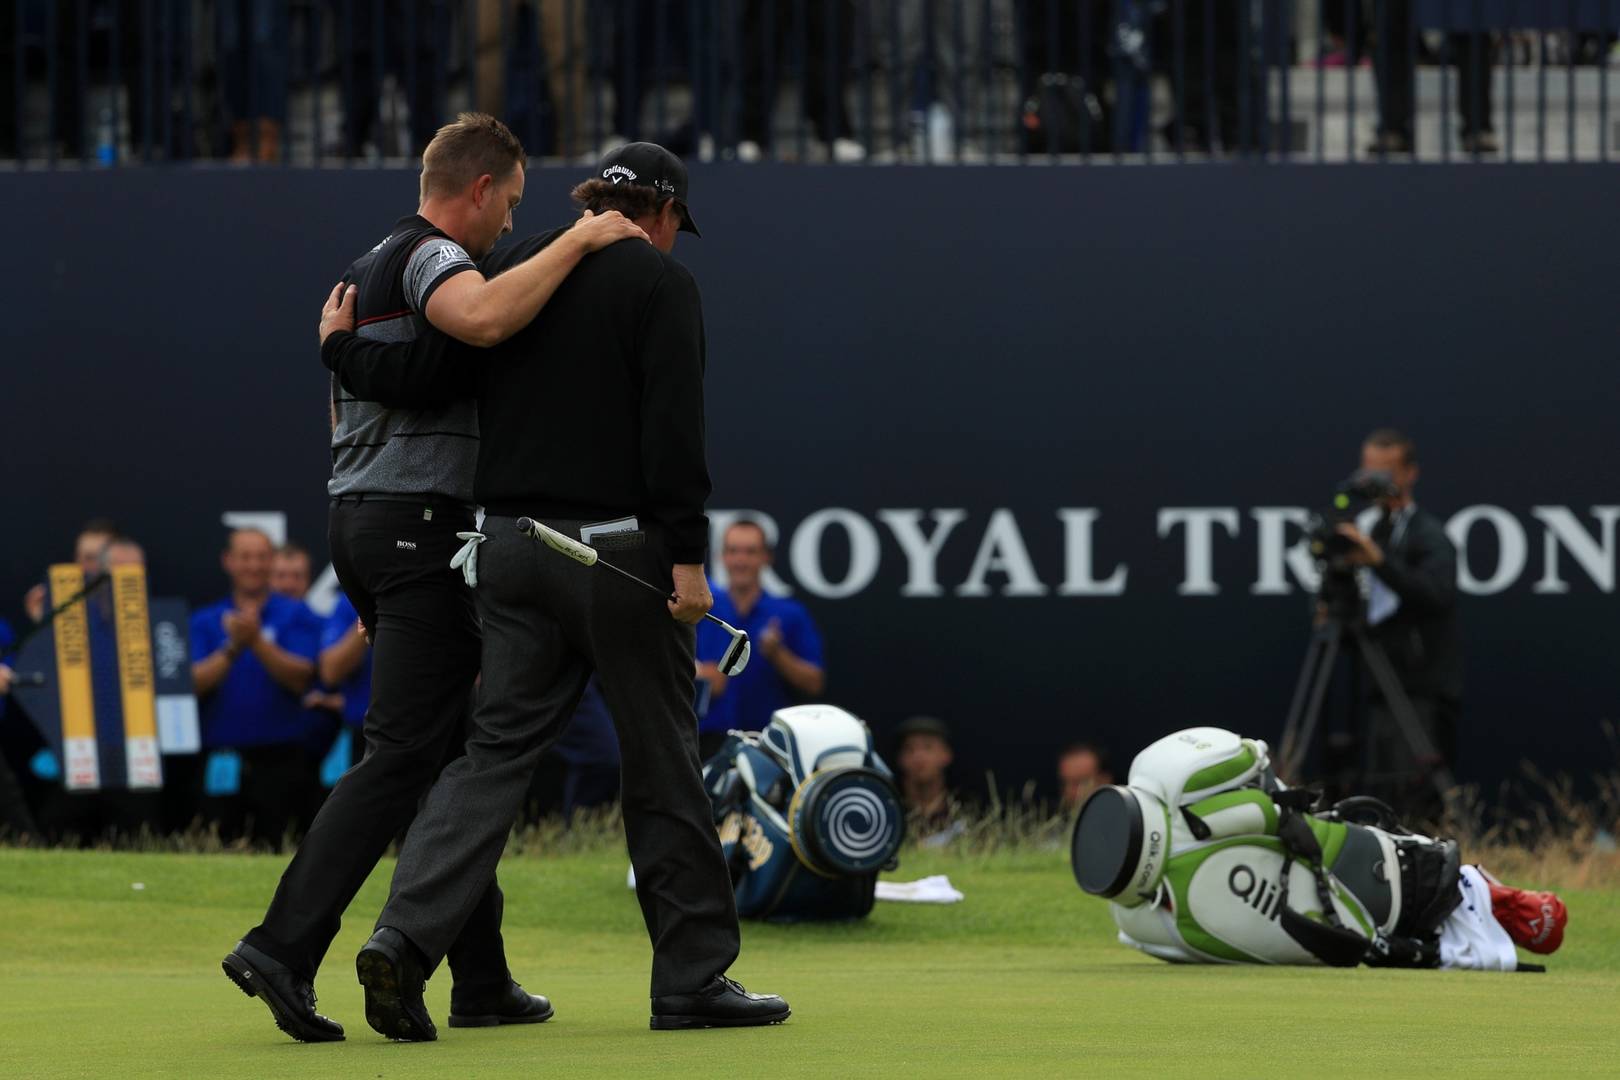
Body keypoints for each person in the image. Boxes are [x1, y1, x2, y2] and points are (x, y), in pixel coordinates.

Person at [322, 141, 788, 1036]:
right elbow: (674, 436)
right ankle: (691, 978)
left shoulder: (510, 265)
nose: (673, 242)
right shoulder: (659, 285)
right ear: (655, 213)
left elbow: (429, 378)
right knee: (661, 761)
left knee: (490, 758)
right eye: (673, 226)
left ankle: (404, 937)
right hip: (617, 554)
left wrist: (341, 351)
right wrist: (688, 562)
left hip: (507, 547)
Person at [221, 113, 645, 1045]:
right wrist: (580, 236)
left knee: (447, 759)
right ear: (482, 189)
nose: (506, 229)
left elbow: (423, 366)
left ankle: (481, 978)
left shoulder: (370, 261)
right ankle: (282, 947)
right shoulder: (429, 258)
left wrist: (339, 352)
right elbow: (483, 318)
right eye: (513, 208)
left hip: (366, 528)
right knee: (408, 754)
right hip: (418, 534)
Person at [1332, 429, 1462, 809]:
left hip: (1421, 688)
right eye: (1368, 471)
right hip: (1375, 683)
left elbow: (1436, 594)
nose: (1375, 482)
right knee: (1377, 791)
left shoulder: (1430, 535)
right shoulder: (1366, 527)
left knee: (1415, 791)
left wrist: (1380, 562)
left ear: (1409, 474)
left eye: (1385, 472)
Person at [189, 529, 323, 847]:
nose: (253, 565)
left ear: (272, 561)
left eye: (262, 557)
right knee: (215, 849)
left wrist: (256, 641)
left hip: (282, 758)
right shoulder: (204, 620)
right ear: (228, 561)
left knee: (281, 849)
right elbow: (192, 685)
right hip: (220, 757)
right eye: (245, 557)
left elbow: (302, 677)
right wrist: (234, 647)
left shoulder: (297, 614)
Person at [696, 520, 825, 758]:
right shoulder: (702, 611)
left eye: (750, 551)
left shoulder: (789, 614)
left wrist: (778, 654)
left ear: (766, 557)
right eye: (733, 551)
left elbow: (814, 683)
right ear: (721, 556)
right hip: (708, 745)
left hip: (770, 745)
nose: (741, 560)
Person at [23, 518, 117, 623]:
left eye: (90, 558)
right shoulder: (63, 604)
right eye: (78, 557)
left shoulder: (130, 603)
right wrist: (44, 622)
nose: (81, 566)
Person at [894, 715, 961, 842]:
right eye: (909, 749)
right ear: (900, 759)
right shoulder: (889, 813)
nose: (918, 757)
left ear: (946, 754)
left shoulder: (965, 812)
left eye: (928, 747)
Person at [1057, 741, 1113, 813]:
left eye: (1078, 783)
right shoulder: (1053, 819)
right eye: (1064, 783)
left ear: (1104, 781)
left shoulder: (1125, 819)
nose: (1069, 791)